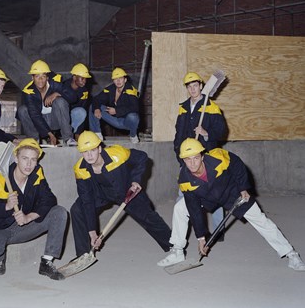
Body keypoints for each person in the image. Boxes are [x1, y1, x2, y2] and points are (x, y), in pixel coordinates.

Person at [157, 138, 305, 272]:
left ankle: (290, 254)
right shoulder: (184, 180)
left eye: (196, 158)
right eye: (188, 160)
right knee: (180, 208)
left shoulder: (218, 157)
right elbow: (193, 208)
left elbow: (238, 165)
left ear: (202, 156)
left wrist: (243, 188)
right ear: (183, 160)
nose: (193, 163)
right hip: (206, 197)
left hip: (231, 193)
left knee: (260, 219)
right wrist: (201, 238)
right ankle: (177, 251)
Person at [0, 138, 68, 279]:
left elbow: (49, 199)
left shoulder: (37, 174)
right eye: (24, 158)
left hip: (25, 227)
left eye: (33, 159)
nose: (29, 164)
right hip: (0, 230)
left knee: (59, 212)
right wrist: (5, 206)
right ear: (16, 158)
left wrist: (29, 216)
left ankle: (46, 262)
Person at [70, 130, 171, 258]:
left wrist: (136, 180)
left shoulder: (117, 154)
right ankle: (83, 255)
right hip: (100, 194)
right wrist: (92, 232)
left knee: (147, 216)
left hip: (125, 190)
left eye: (92, 150)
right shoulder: (80, 170)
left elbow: (142, 157)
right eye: (85, 152)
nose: (89, 155)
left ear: (99, 149)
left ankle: (173, 247)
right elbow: (87, 201)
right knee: (78, 209)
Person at [173, 71, 227, 234]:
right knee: (183, 193)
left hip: (207, 156)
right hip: (187, 157)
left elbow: (222, 132)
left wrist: (205, 132)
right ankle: (180, 231)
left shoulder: (211, 107)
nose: (192, 89)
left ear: (201, 86)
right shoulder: (183, 108)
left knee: (214, 193)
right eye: (189, 87)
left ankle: (218, 230)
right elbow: (178, 133)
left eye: (195, 85)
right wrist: (179, 153)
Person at [16, 60, 77, 146]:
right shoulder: (28, 92)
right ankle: (34, 140)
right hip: (38, 123)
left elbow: (73, 97)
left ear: (47, 77)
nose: (40, 79)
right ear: (32, 78)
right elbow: (34, 115)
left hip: (54, 120)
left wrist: (57, 94)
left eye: (43, 76)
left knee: (60, 101)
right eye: (37, 76)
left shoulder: (55, 84)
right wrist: (50, 135)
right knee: (22, 110)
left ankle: (68, 138)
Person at [89, 67, 140, 143]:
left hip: (126, 121)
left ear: (125, 80)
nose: (118, 81)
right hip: (114, 119)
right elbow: (96, 99)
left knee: (133, 116)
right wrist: (96, 109)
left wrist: (116, 111)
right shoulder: (110, 89)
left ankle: (133, 135)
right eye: (116, 79)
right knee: (93, 106)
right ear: (113, 81)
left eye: (120, 78)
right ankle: (97, 134)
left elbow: (135, 107)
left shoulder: (131, 90)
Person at [62, 63, 91, 140]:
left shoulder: (84, 91)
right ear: (74, 77)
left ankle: (73, 133)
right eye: (82, 78)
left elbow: (83, 109)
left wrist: (78, 133)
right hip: (60, 117)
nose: (84, 81)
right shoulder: (62, 86)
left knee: (82, 111)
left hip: (72, 118)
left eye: (86, 79)